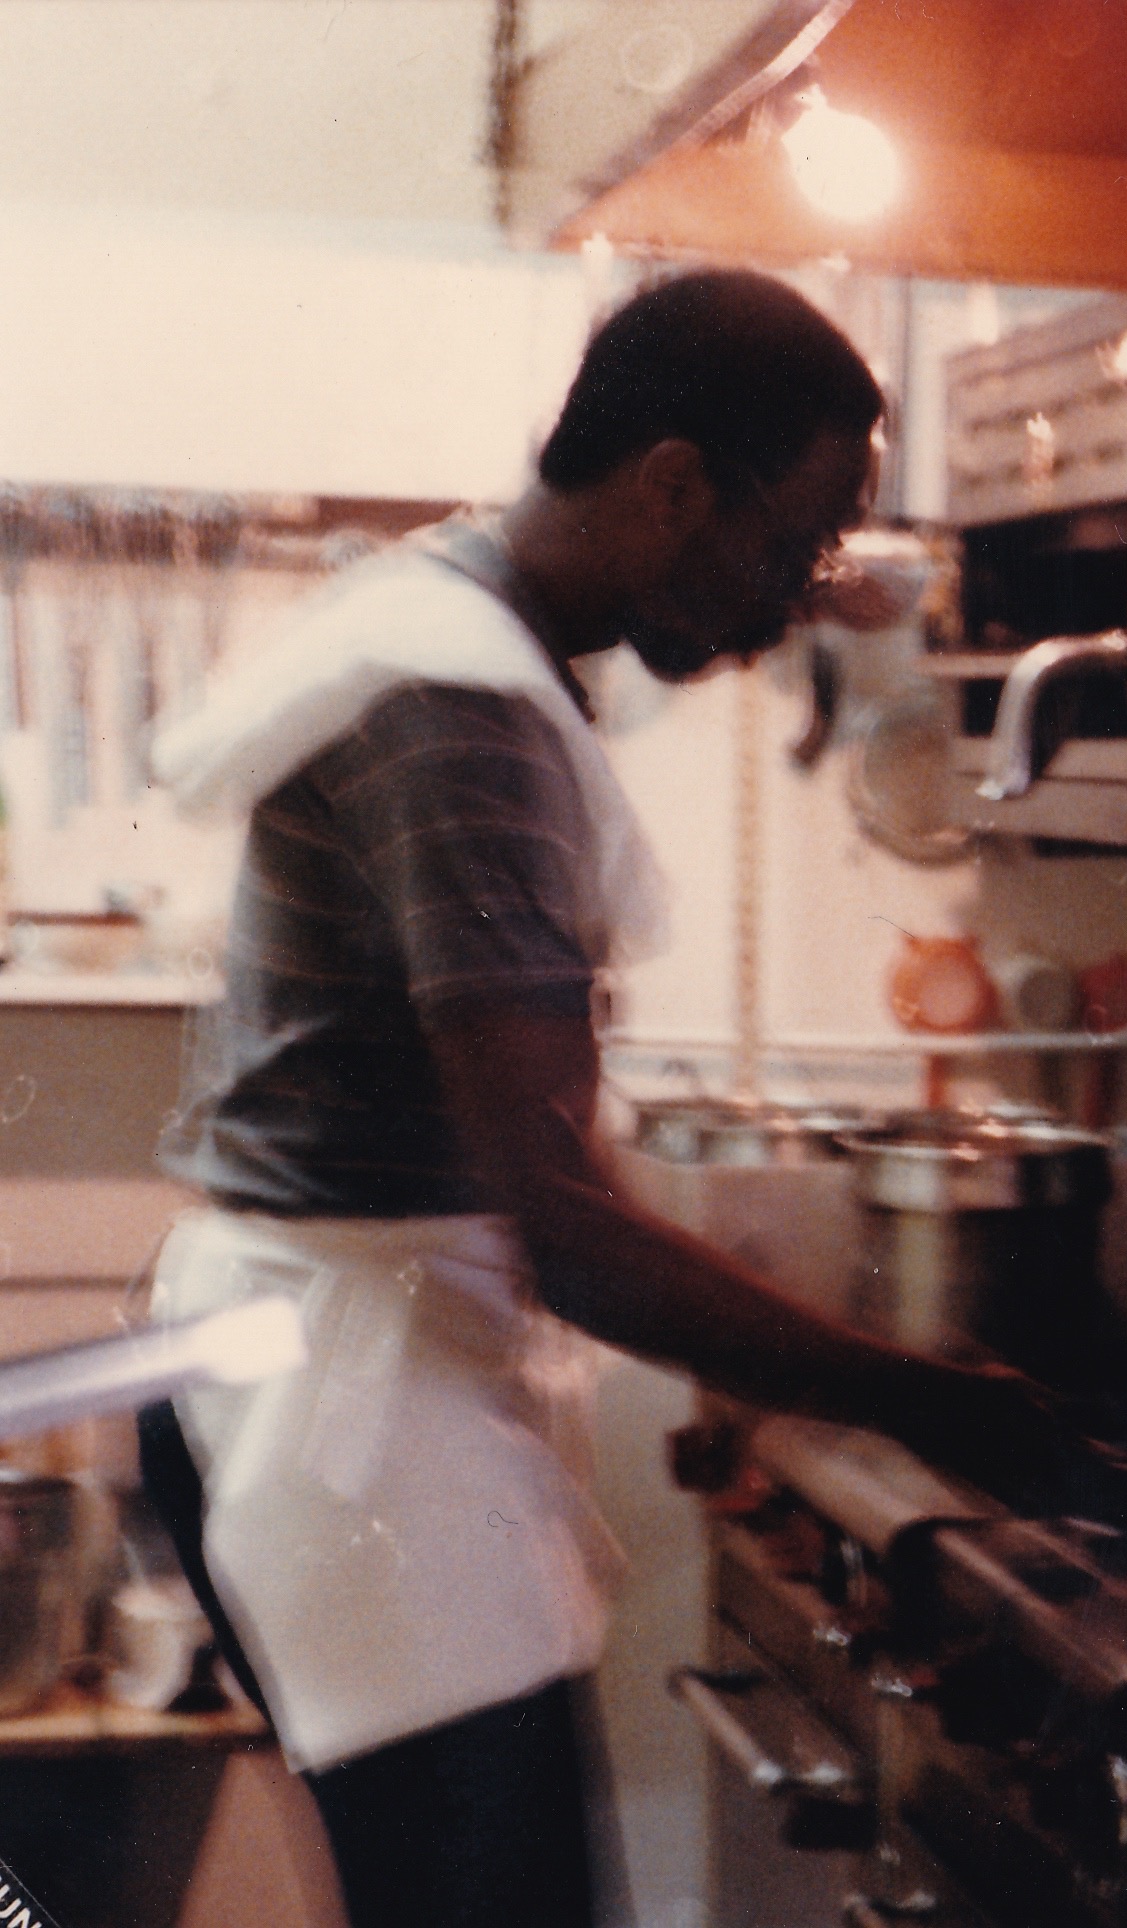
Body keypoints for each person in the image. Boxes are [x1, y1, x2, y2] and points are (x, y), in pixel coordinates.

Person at [131, 269, 1071, 1928]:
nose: (787, 607)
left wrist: (761, 1358)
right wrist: (926, 1400)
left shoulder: (444, 610)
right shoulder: (460, 708)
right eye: (790, 547)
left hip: (339, 1379)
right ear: (674, 483)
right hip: (358, 1421)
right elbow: (565, 1232)